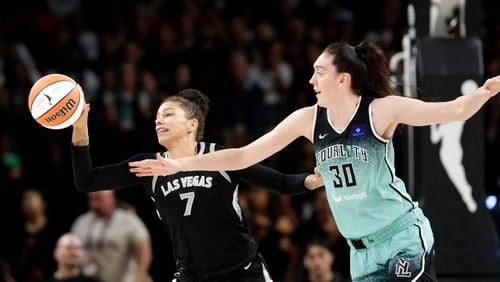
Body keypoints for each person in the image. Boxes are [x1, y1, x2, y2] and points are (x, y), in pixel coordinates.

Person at [129, 41, 500, 281]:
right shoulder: (307, 119)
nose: (311, 79)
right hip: (361, 254)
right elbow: (244, 155)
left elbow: (451, 111)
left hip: (403, 237)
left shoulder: (380, 111)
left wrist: (485, 91)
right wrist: (181, 165)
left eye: (319, 72)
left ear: (343, 79)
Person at [71, 88, 324, 281]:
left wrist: (311, 180)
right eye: (157, 117)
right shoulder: (149, 166)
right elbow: (88, 181)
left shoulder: (219, 156)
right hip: (192, 274)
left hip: (243, 270)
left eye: (168, 115)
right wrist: (80, 127)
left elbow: (278, 182)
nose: (158, 121)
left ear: (192, 125)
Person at [71, 191, 152, 282]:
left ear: (111, 198)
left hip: (121, 278)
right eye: (91, 199)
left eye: (98, 198)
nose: (93, 204)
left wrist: (140, 273)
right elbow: (70, 249)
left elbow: (143, 248)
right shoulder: (81, 221)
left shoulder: (128, 220)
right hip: (87, 278)